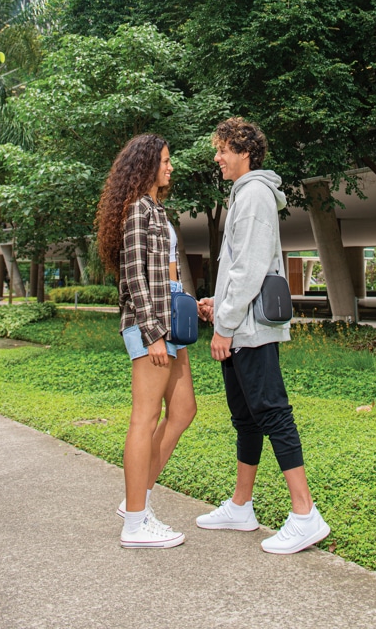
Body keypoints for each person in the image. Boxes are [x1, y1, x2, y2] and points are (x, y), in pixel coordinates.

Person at [196, 117, 330, 554]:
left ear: (244, 152)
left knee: (272, 412)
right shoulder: (244, 194)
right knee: (246, 418)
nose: (217, 157)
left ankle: (305, 515)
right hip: (241, 324)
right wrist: (219, 303)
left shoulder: (254, 195)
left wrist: (224, 326)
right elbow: (240, 268)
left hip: (248, 331)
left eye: (222, 150)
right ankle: (241, 506)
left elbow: (250, 269)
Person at [96, 133, 196, 548]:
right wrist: (153, 332)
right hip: (150, 321)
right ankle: (135, 523)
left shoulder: (158, 209)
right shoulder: (138, 208)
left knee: (184, 410)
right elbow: (133, 275)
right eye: (165, 160)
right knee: (145, 418)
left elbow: (167, 273)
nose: (171, 167)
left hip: (171, 315)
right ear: (146, 165)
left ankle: (136, 501)